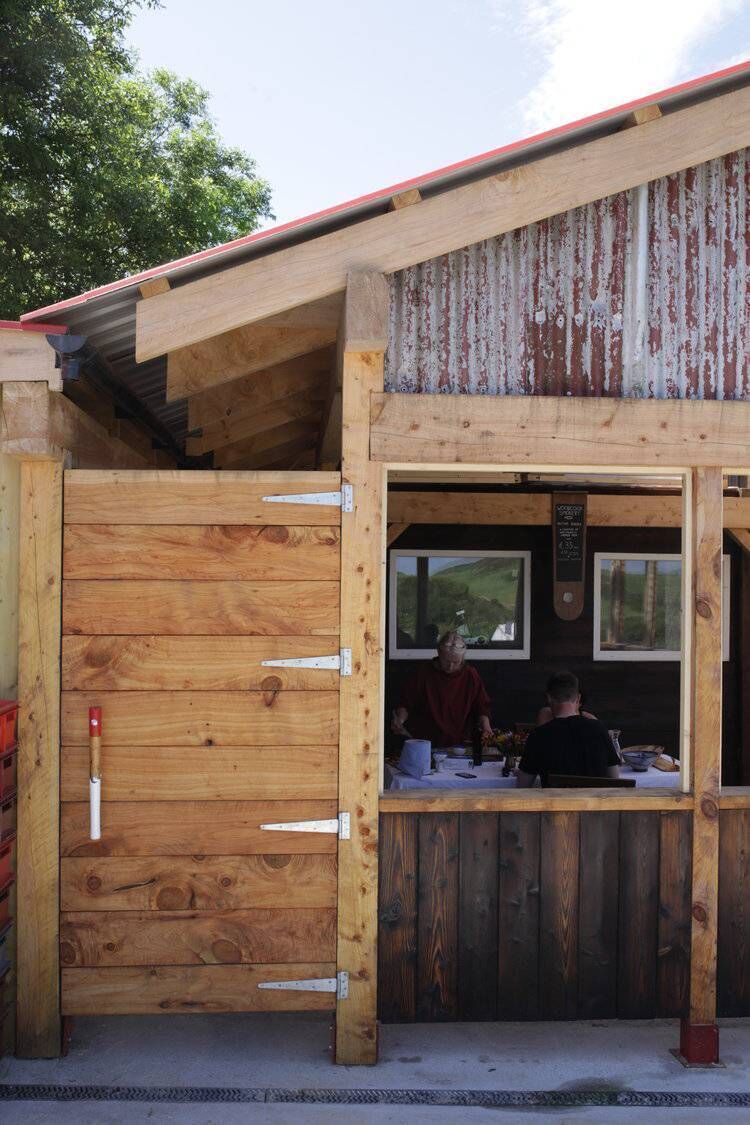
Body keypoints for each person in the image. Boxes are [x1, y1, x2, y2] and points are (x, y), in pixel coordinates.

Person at [391, 631, 492, 748]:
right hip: (425, 741)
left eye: (456, 662)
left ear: (462, 657)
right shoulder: (423, 672)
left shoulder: (470, 675)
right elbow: (406, 702)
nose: (450, 666)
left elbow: (481, 706)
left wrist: (486, 727)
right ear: (439, 652)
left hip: (460, 744)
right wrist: (400, 720)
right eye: (446, 661)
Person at [517, 671, 619, 787]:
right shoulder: (599, 729)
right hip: (592, 798)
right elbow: (614, 779)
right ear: (578, 698)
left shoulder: (538, 736)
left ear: (549, 698)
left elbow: (522, 786)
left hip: (556, 799)